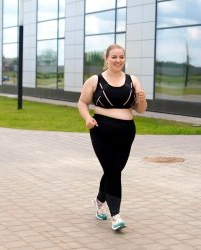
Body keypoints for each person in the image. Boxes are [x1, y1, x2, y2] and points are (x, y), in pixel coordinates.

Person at [78, 44, 147, 231]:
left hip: (126, 131)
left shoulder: (132, 80)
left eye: (121, 57)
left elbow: (140, 110)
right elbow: (82, 102)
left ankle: (99, 201)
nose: (118, 60)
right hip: (101, 131)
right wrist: (87, 118)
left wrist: (141, 100)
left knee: (114, 170)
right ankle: (116, 216)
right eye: (114, 57)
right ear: (106, 59)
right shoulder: (95, 80)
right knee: (114, 172)